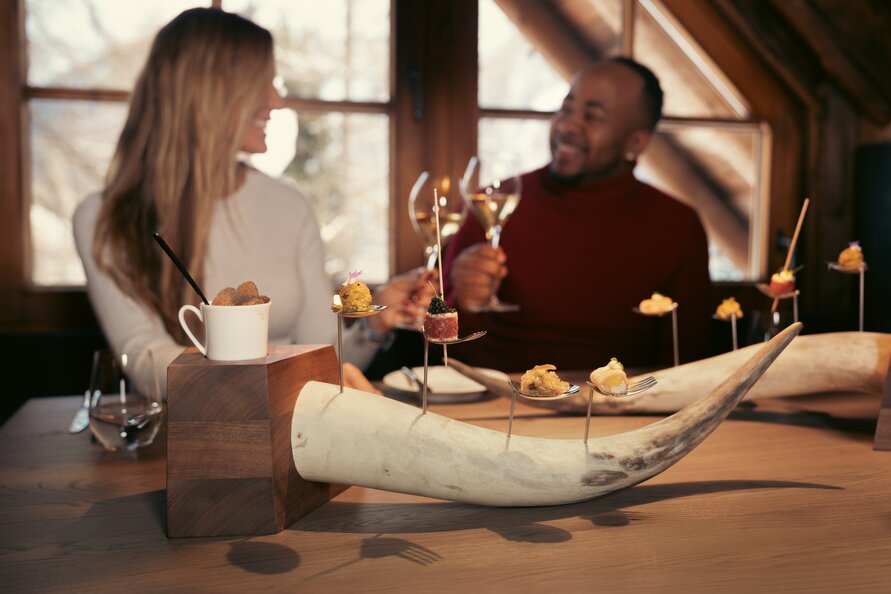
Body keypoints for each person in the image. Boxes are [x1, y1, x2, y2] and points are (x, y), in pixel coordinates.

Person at [74, 7, 430, 398]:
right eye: (262, 83)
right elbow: (145, 362)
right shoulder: (104, 219)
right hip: (181, 444)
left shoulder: (290, 206)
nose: (277, 102)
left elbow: (324, 357)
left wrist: (373, 322)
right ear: (206, 93)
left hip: (283, 437)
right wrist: (284, 381)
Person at [442, 57, 712, 371]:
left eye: (592, 117)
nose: (568, 126)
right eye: (566, 109)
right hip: (498, 401)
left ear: (635, 143)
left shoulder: (677, 225)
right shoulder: (490, 207)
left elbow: (691, 360)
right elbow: (441, 354)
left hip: (624, 406)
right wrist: (465, 304)